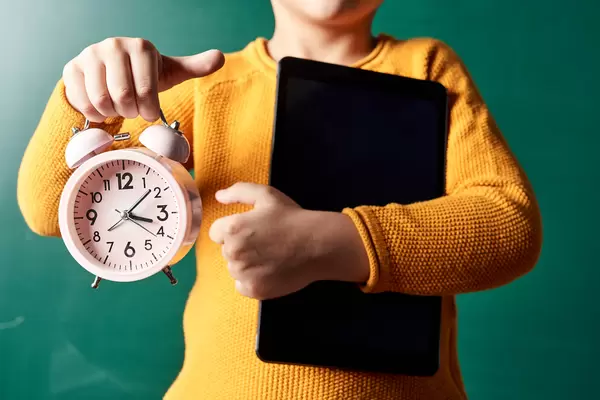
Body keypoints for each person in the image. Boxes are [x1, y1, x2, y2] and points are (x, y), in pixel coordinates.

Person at [17, 0, 543, 398]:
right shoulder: (210, 86)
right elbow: (48, 207)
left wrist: (330, 244)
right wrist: (85, 96)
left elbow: (508, 223)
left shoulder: (426, 65)